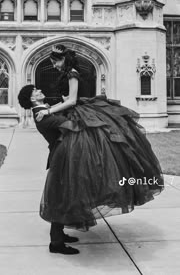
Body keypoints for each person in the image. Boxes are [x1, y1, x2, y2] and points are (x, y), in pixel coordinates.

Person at [34, 44, 164, 232]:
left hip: (80, 112)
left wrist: (48, 110)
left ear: (64, 59)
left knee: (92, 154)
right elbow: (67, 101)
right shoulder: (67, 73)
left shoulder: (72, 73)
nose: (54, 65)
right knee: (79, 158)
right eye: (52, 62)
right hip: (76, 112)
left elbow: (71, 100)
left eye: (56, 61)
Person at [18, 85, 80, 255]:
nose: (39, 91)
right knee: (60, 197)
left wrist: (64, 104)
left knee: (64, 195)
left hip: (64, 153)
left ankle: (59, 234)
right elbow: (70, 125)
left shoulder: (44, 110)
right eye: (35, 91)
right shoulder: (41, 116)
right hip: (61, 157)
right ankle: (56, 243)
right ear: (32, 99)